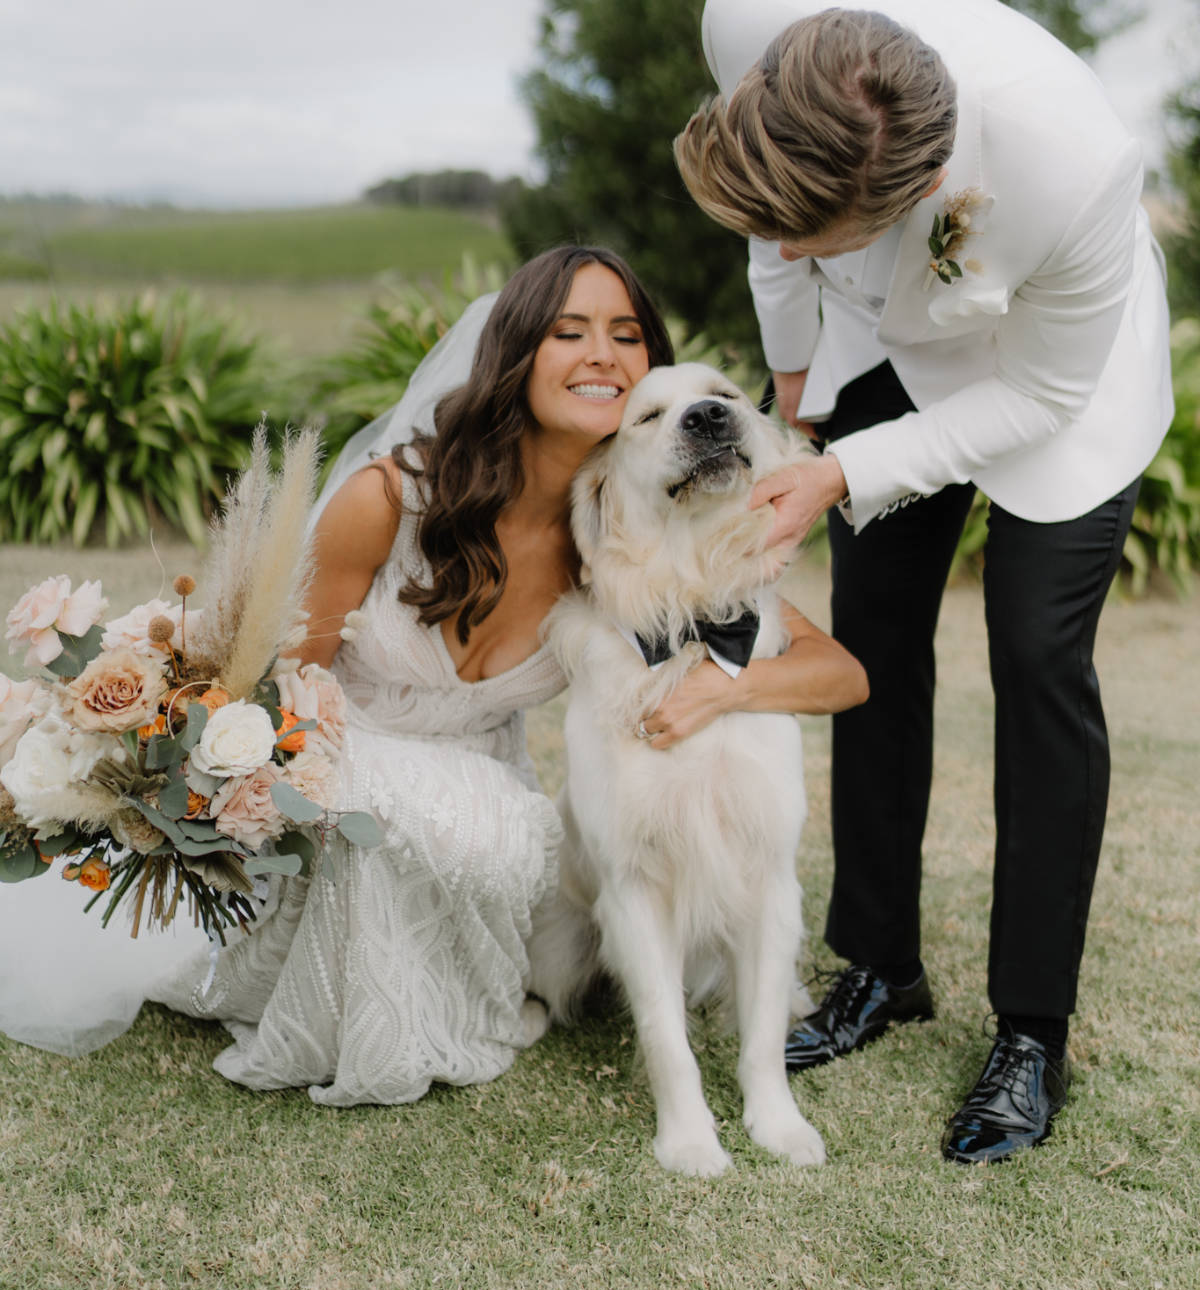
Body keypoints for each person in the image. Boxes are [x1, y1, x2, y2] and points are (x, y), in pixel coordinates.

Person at [149, 244, 867, 1105]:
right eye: (569, 332)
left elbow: (840, 672)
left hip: (480, 791)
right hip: (344, 769)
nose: (601, 353)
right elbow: (285, 691)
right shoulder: (389, 498)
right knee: (439, 836)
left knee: (500, 842)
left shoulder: (624, 547)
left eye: (625, 333)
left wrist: (727, 687)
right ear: (516, 354)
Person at [674, 0, 1174, 1165]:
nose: (788, 250)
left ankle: (1031, 1029)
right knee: (874, 632)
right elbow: (767, 220)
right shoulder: (754, 3)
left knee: (1036, 658)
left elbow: (1040, 401)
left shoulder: (1072, 172)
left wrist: (843, 470)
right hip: (884, 344)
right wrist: (795, 365)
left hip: (1058, 372)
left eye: (816, 234)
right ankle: (881, 966)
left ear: (906, 195)